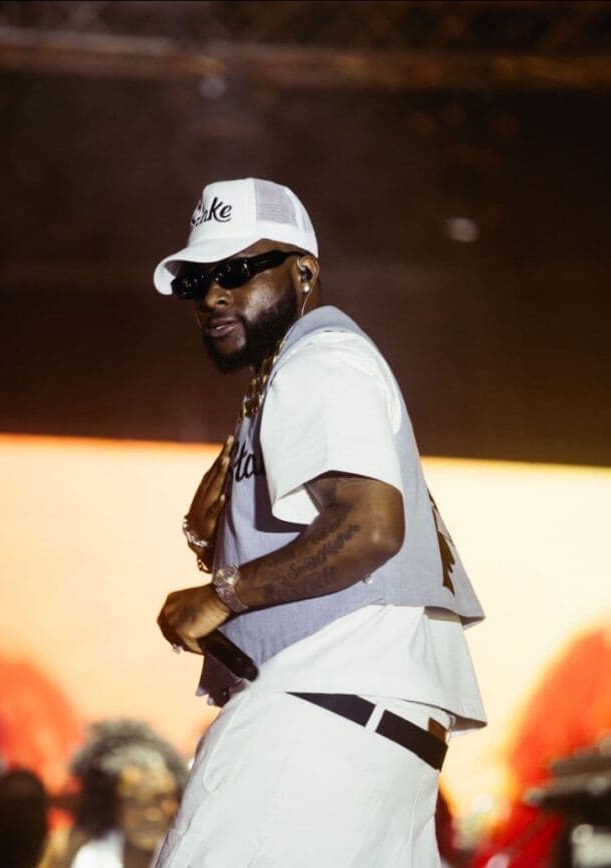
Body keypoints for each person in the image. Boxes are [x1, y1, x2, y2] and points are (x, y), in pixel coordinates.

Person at [153, 177, 487, 866]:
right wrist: (214, 540)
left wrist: (223, 593)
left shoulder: (320, 360)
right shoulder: (300, 372)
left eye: (236, 271)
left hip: (320, 716)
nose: (212, 296)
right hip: (365, 729)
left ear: (303, 273)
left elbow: (371, 528)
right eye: (197, 282)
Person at [39, 720, 187, 868]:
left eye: (160, 799)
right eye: (131, 801)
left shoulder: (190, 851)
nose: (149, 815)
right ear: (109, 801)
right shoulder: (71, 848)